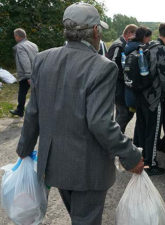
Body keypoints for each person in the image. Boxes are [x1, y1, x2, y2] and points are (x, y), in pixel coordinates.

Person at [15, 3, 143, 225]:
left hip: (54, 165)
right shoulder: (103, 66)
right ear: (95, 31)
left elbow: (33, 111)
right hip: (87, 169)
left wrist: (24, 149)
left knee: (78, 217)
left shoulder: (43, 59)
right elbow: (100, 122)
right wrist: (130, 154)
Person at [135, 22, 165, 176]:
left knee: (142, 129)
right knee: (153, 132)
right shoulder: (164, 50)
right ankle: (150, 164)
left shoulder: (147, 46)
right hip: (154, 97)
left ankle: (139, 159)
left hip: (140, 94)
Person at [106, 24, 137, 133]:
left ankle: (118, 137)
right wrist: (125, 76)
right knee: (124, 113)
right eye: (134, 35)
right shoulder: (118, 45)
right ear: (128, 33)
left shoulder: (123, 44)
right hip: (117, 86)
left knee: (122, 113)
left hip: (120, 85)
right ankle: (114, 140)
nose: (135, 38)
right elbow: (111, 66)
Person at [10, 28, 38, 117]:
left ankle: (20, 110)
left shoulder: (20, 46)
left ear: (18, 36)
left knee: (22, 93)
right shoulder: (33, 45)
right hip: (36, 72)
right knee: (37, 93)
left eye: (15, 36)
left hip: (26, 75)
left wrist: (28, 76)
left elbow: (25, 61)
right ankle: (38, 111)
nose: (15, 38)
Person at [123, 26, 152, 111]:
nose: (149, 41)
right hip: (139, 95)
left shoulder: (128, 48)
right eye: (149, 38)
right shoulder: (142, 51)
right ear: (144, 37)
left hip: (129, 92)